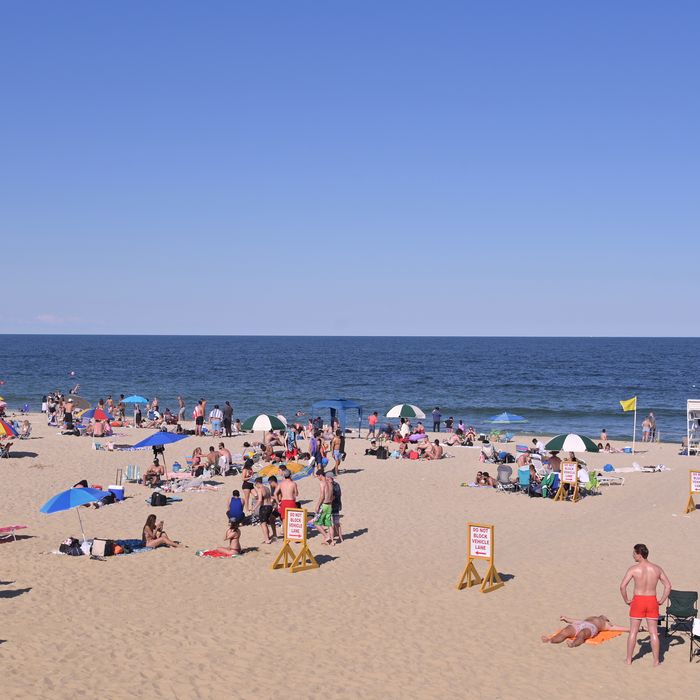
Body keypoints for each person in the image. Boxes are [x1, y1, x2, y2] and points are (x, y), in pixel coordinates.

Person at [619, 543, 671, 666]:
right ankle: (656, 661)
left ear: (639, 554)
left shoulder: (633, 569)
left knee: (633, 631)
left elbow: (622, 586)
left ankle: (628, 660)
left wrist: (626, 599)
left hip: (638, 600)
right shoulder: (656, 568)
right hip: (652, 600)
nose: (633, 556)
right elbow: (668, 585)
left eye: (634, 553)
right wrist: (662, 600)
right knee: (653, 632)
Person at [542, 614, 628, 647]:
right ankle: (550, 640)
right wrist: (566, 619)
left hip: (592, 628)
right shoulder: (591, 617)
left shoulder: (608, 625)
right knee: (565, 631)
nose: (604, 616)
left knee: (582, 634)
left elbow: (622, 628)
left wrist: (639, 629)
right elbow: (577, 620)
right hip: (581, 623)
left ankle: (573, 644)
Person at [313, 468, 334, 545]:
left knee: (316, 523)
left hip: (324, 505)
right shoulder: (330, 483)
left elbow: (322, 496)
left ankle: (326, 536)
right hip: (330, 505)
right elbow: (332, 496)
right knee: (329, 524)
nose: (318, 478)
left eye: (318, 476)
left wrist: (317, 505)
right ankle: (332, 541)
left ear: (320, 475)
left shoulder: (322, 483)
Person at [253, 477, 277, 544]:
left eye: (255, 485)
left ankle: (267, 539)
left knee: (263, 524)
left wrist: (254, 508)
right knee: (266, 523)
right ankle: (269, 536)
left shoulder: (260, 489)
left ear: (257, 483)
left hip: (264, 507)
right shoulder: (267, 488)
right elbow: (269, 497)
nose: (256, 486)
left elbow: (260, 500)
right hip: (270, 507)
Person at [329, 475, 343, 544]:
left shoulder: (332, 485)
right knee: (336, 522)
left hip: (332, 505)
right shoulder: (336, 485)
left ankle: (333, 539)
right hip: (336, 505)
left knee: (332, 523)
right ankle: (340, 537)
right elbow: (340, 494)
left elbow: (334, 496)